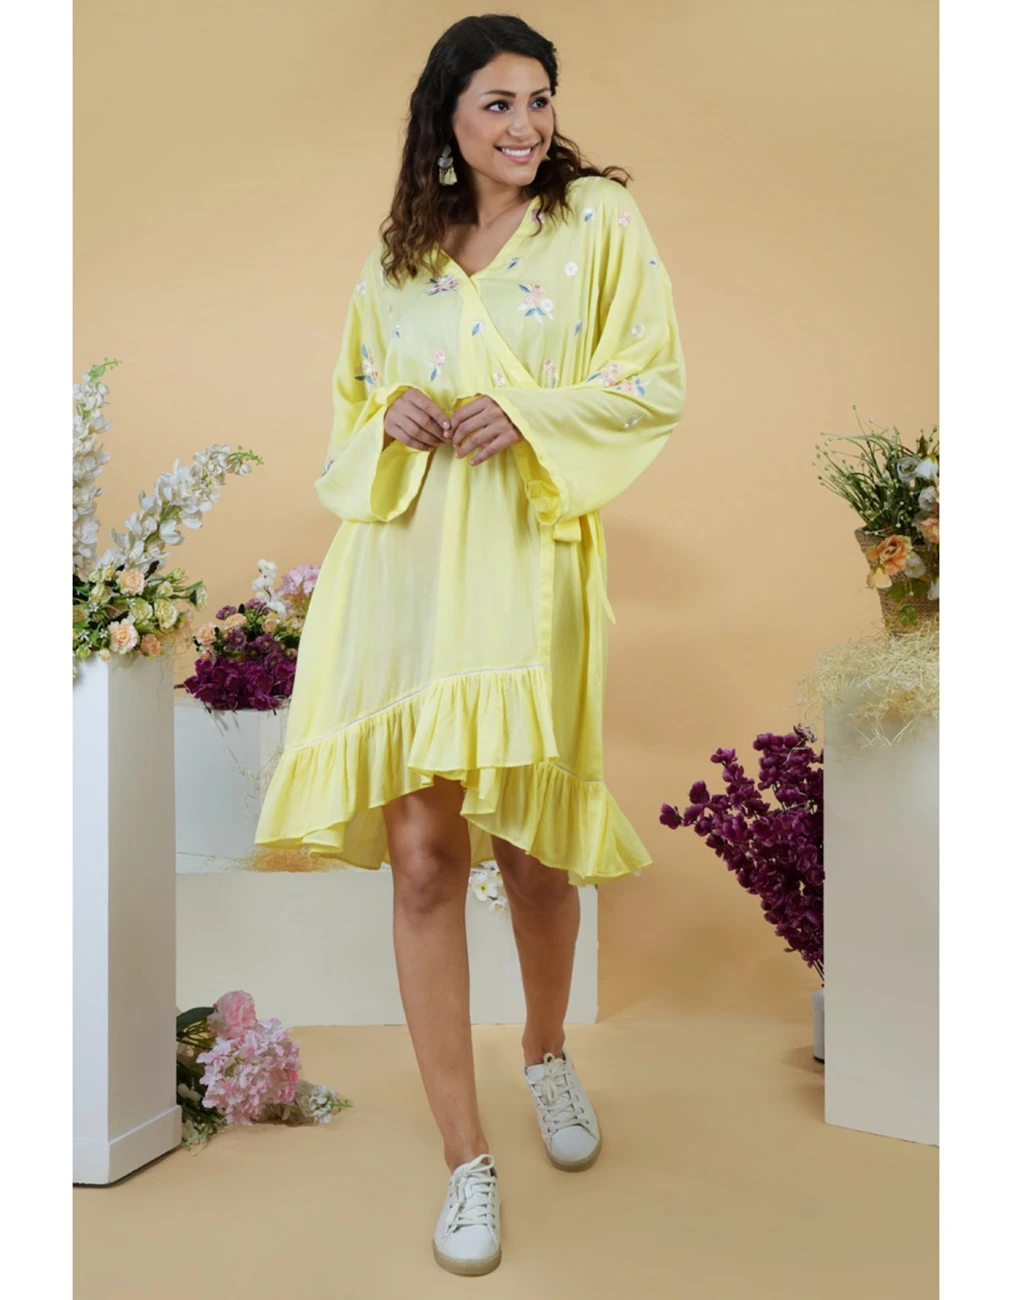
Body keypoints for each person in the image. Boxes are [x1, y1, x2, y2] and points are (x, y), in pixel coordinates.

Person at [254, 12, 686, 1278]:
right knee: (423, 861)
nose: (525, 124)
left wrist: (530, 414)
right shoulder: (399, 253)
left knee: (535, 858)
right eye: (497, 103)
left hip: (523, 569)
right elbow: (348, 408)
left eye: (538, 99)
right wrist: (387, 412)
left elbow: (650, 381)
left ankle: (544, 1050)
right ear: (445, 117)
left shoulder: (596, 222)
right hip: (400, 577)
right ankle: (465, 1159)